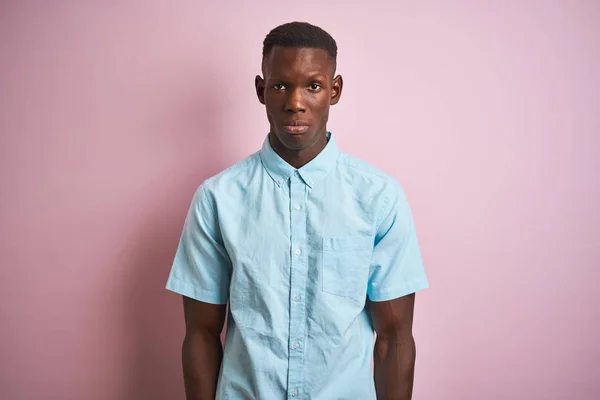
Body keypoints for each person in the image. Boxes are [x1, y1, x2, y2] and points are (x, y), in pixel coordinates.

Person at [166, 21, 429, 400]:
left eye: (313, 85)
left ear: (334, 91)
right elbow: (201, 335)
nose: (295, 102)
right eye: (280, 85)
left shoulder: (378, 197)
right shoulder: (217, 198)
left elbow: (395, 338)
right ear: (261, 90)